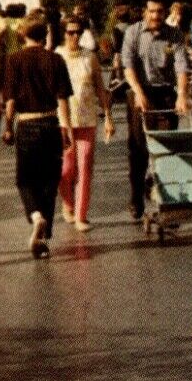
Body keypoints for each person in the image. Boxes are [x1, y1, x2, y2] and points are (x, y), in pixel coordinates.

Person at [1, 13, 74, 257]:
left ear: (23, 35)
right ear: (45, 35)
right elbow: (62, 99)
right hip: (51, 123)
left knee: (25, 179)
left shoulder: (13, 60)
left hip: (27, 125)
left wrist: (8, 126)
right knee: (50, 180)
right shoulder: (56, 60)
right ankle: (44, 236)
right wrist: (67, 128)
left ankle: (35, 216)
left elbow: (10, 99)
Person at [120, 0, 191, 221]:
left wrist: (182, 95)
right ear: (145, 12)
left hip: (165, 92)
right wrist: (139, 93)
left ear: (165, 12)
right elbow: (128, 66)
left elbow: (181, 67)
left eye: (160, 11)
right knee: (139, 149)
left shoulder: (175, 35)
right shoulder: (133, 33)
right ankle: (136, 197)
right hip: (140, 91)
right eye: (151, 11)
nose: (155, 16)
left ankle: (170, 202)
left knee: (168, 146)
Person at [56, 18, 115, 230]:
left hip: (87, 118)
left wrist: (108, 115)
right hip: (63, 120)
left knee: (85, 165)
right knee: (65, 169)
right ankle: (68, 203)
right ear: (63, 33)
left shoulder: (89, 57)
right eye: (70, 32)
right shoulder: (57, 55)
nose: (74, 36)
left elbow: (100, 88)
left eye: (78, 32)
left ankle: (81, 215)